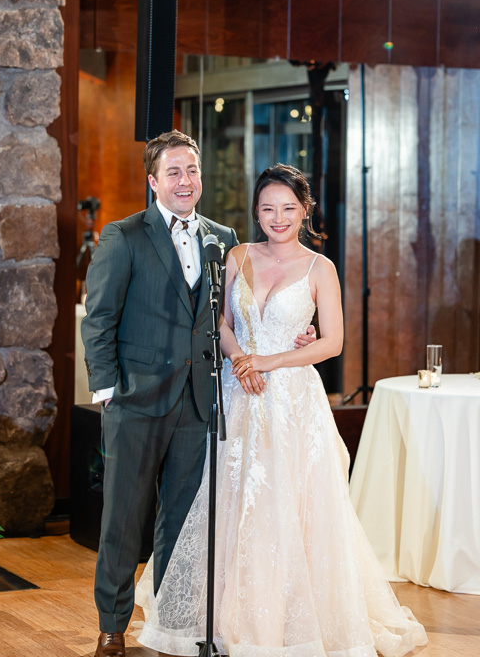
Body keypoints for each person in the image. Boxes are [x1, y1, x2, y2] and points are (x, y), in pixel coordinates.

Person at [135, 164, 427, 657]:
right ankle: (231, 615)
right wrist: (239, 359)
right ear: (256, 211)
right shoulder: (237, 256)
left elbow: (332, 343)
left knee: (290, 504)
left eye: (288, 208)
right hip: (239, 391)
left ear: (304, 210)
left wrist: (269, 360)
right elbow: (220, 322)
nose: (278, 217)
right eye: (268, 208)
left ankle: (293, 620)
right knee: (233, 499)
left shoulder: (320, 269)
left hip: (292, 400)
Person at [82, 133, 316, 657]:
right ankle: (112, 625)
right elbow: (98, 320)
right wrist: (107, 390)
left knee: (182, 521)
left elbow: (235, 316)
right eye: (173, 173)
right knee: (123, 518)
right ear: (153, 181)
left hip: (199, 400)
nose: (185, 181)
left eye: (192, 170)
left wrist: (297, 334)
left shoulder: (222, 237)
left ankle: (169, 618)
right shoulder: (123, 236)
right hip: (135, 400)